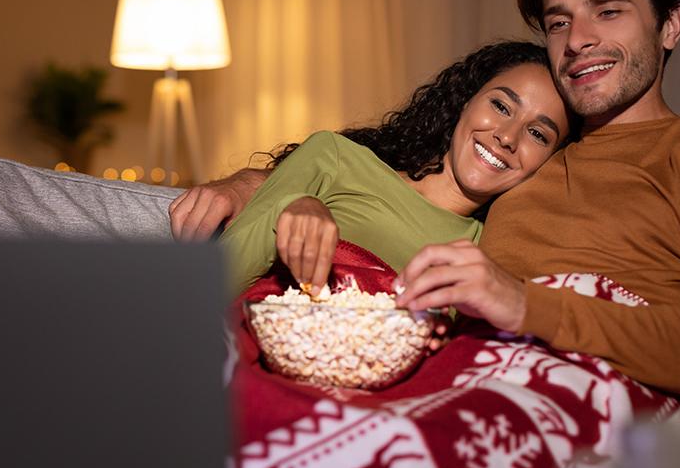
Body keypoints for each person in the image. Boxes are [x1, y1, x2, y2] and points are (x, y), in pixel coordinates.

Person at [171, 0, 680, 407]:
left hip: (583, 396)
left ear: (670, 25)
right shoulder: (533, 168)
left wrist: (524, 304)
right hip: (463, 378)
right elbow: (384, 190)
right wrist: (262, 183)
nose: (578, 40)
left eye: (608, 11)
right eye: (558, 22)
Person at [219, 41, 574, 294]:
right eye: (500, 106)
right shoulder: (335, 157)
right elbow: (219, 281)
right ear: (466, 101)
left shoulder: (489, 250)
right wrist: (290, 207)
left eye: (537, 134)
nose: (508, 137)